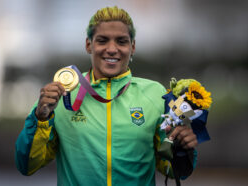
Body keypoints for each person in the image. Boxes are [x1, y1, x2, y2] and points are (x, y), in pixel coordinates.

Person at [15, 6, 198, 186]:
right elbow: (27, 165)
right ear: (89, 44)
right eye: (102, 40)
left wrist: (183, 149)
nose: (112, 49)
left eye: (121, 41)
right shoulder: (62, 96)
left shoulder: (156, 94)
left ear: (132, 47)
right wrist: (40, 118)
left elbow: (173, 170)